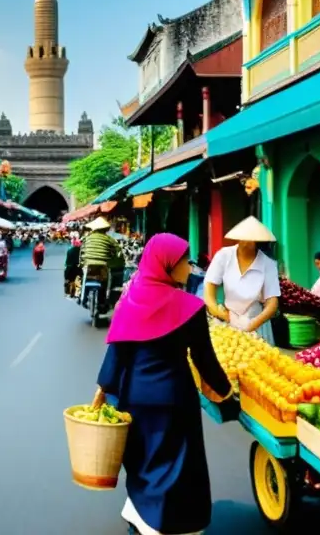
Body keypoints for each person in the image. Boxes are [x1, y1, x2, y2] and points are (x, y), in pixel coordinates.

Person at [94, 233, 233, 535]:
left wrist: (103, 390)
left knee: (143, 461)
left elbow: (116, 356)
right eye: (184, 260)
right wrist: (226, 392)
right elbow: (204, 360)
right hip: (174, 400)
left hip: (134, 398)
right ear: (168, 264)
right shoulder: (190, 307)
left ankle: (142, 515)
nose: (189, 266)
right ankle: (170, 523)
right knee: (177, 466)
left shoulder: (130, 301)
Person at [203, 216, 281, 345]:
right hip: (227, 319)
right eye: (245, 237)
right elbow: (209, 289)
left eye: (252, 238)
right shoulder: (224, 255)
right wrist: (217, 311)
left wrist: (254, 323)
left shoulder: (268, 263)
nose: (247, 242)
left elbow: (272, 303)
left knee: (257, 359)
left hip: (256, 321)